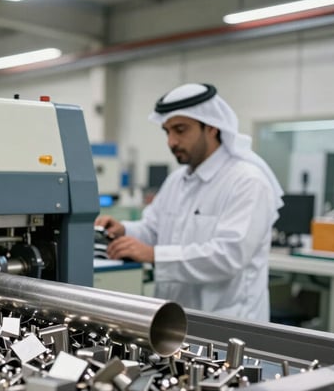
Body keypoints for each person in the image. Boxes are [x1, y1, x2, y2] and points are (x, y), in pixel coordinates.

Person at [96, 83, 283, 322]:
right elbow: (153, 229)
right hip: (175, 320)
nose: (171, 141)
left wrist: (154, 255)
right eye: (167, 131)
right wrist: (124, 229)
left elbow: (229, 256)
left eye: (180, 130)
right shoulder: (177, 180)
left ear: (213, 127)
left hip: (229, 325)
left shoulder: (247, 181)